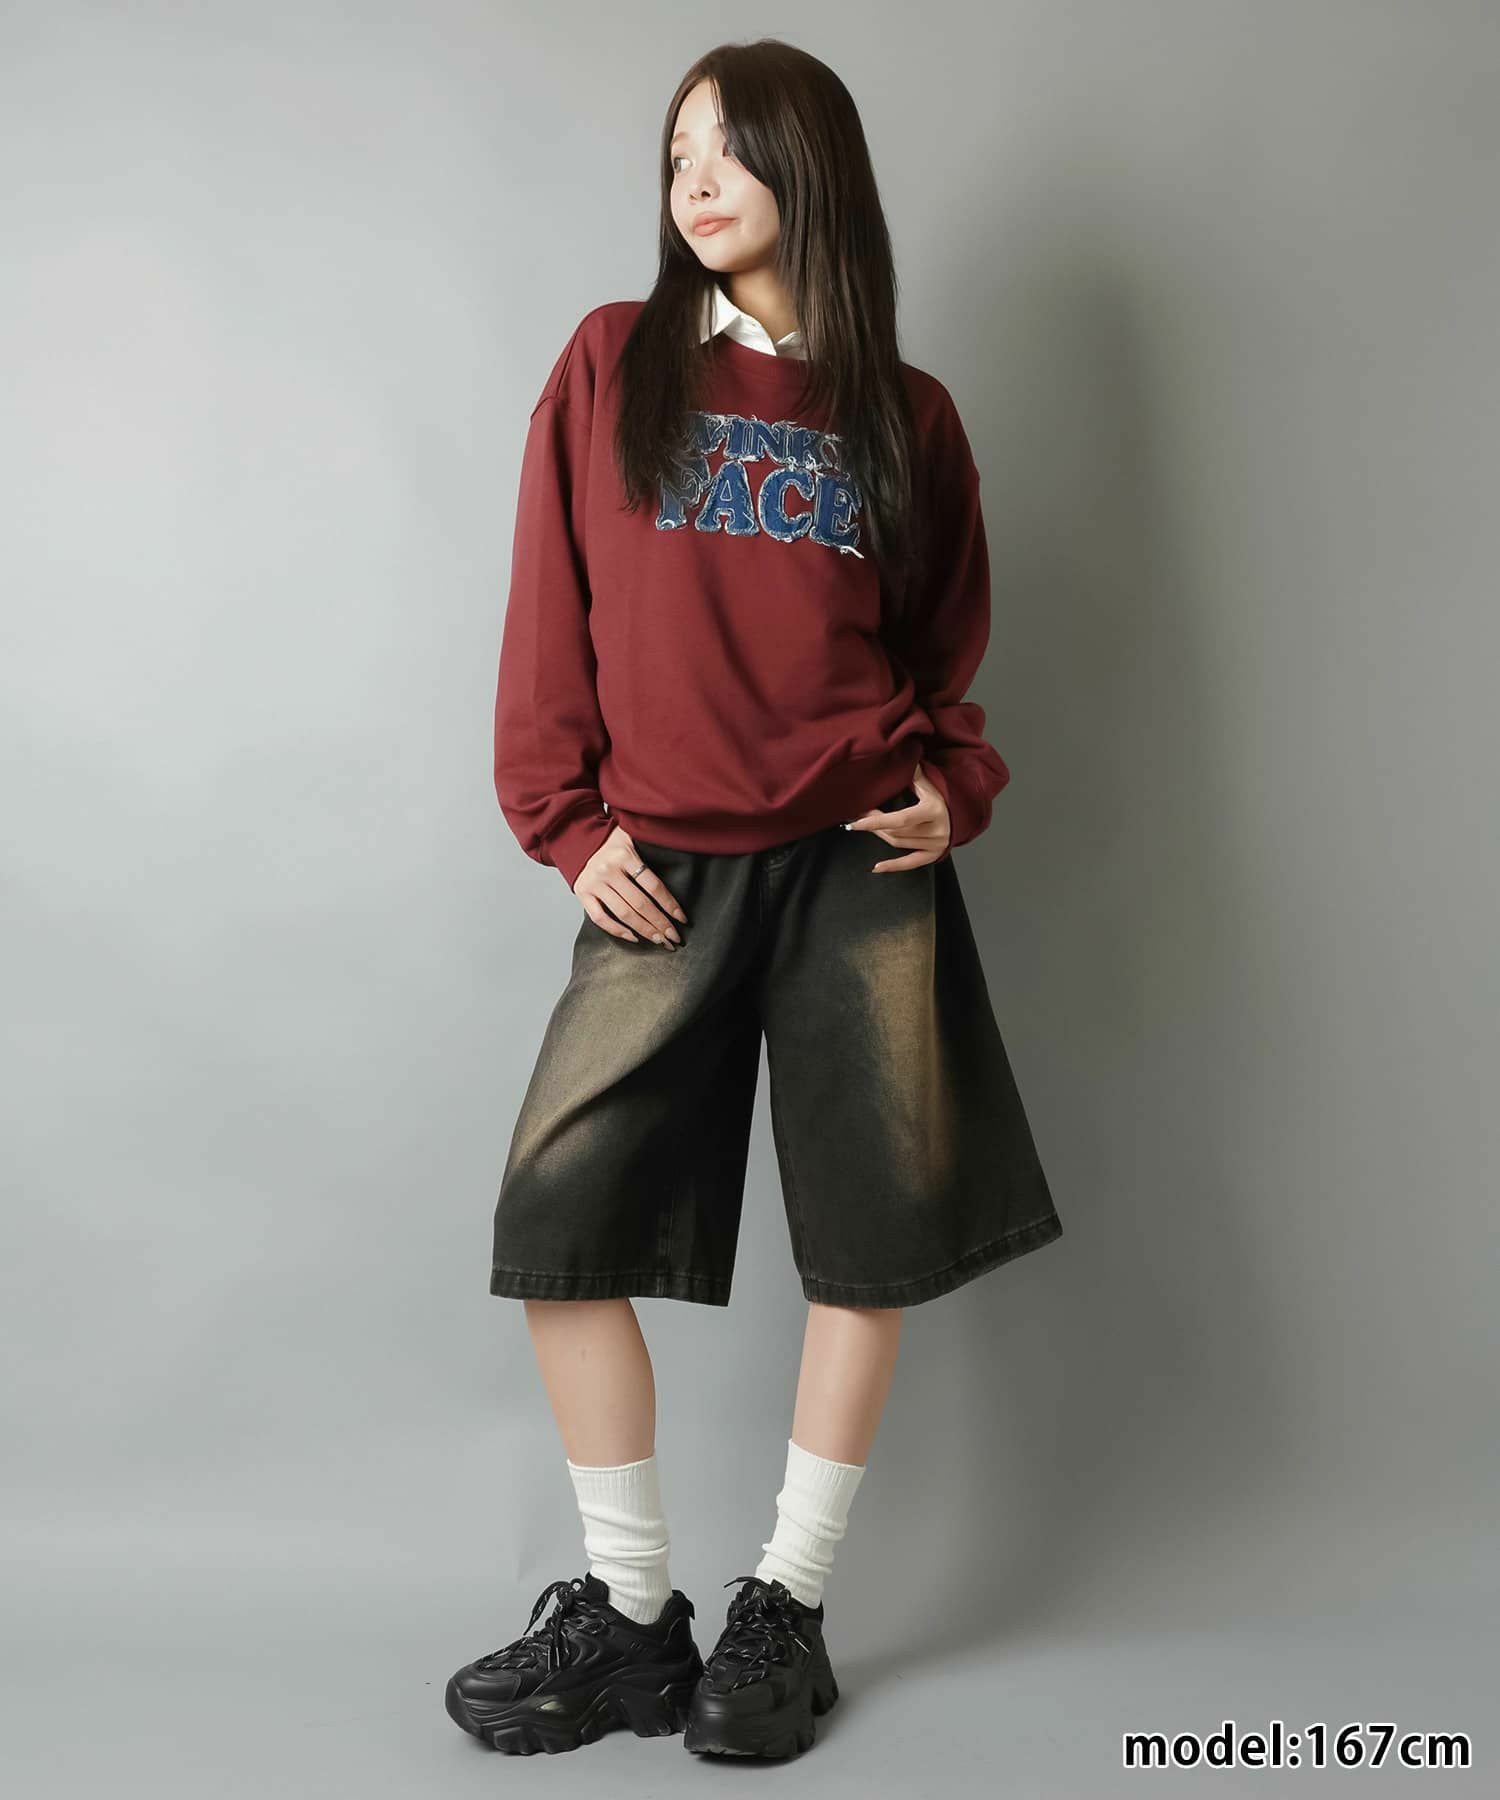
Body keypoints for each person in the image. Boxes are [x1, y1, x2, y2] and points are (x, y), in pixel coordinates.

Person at [444, 37, 1063, 1764]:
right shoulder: (612, 364)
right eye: (676, 157)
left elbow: (941, 654)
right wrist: (567, 826)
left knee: (868, 1237)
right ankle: (633, 1616)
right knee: (562, 1219)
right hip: (661, 872)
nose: (695, 182)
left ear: (814, 167)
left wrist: (954, 787)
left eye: (729, 149)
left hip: (859, 869)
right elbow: (548, 615)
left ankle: (785, 1607)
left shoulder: (905, 417)